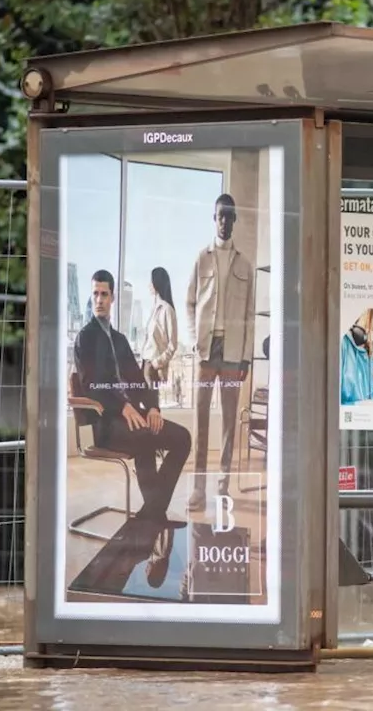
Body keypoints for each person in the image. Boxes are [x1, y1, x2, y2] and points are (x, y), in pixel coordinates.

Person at [74, 269, 192, 523]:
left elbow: (138, 380)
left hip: (133, 415)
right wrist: (123, 407)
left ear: (113, 298)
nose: (99, 300)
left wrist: (152, 407)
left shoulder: (120, 340)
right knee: (144, 437)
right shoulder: (85, 338)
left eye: (104, 294)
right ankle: (154, 513)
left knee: (183, 438)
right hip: (106, 423)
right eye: (95, 294)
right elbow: (91, 385)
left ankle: (152, 511)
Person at [186, 193, 256, 511]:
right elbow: (189, 303)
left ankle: (223, 485)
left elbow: (251, 315)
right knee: (201, 419)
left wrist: (245, 357)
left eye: (230, 216)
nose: (225, 221)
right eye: (220, 216)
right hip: (205, 350)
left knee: (229, 421)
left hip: (232, 353)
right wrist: (193, 339)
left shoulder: (246, 264)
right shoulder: (201, 257)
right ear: (214, 219)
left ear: (235, 219)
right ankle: (198, 488)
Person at [140, 266, 179, 402]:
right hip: (144, 363)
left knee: (152, 407)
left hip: (153, 367)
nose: (149, 285)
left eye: (151, 281)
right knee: (144, 406)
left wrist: (156, 364)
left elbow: (173, 345)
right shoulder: (154, 309)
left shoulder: (167, 310)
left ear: (156, 283)